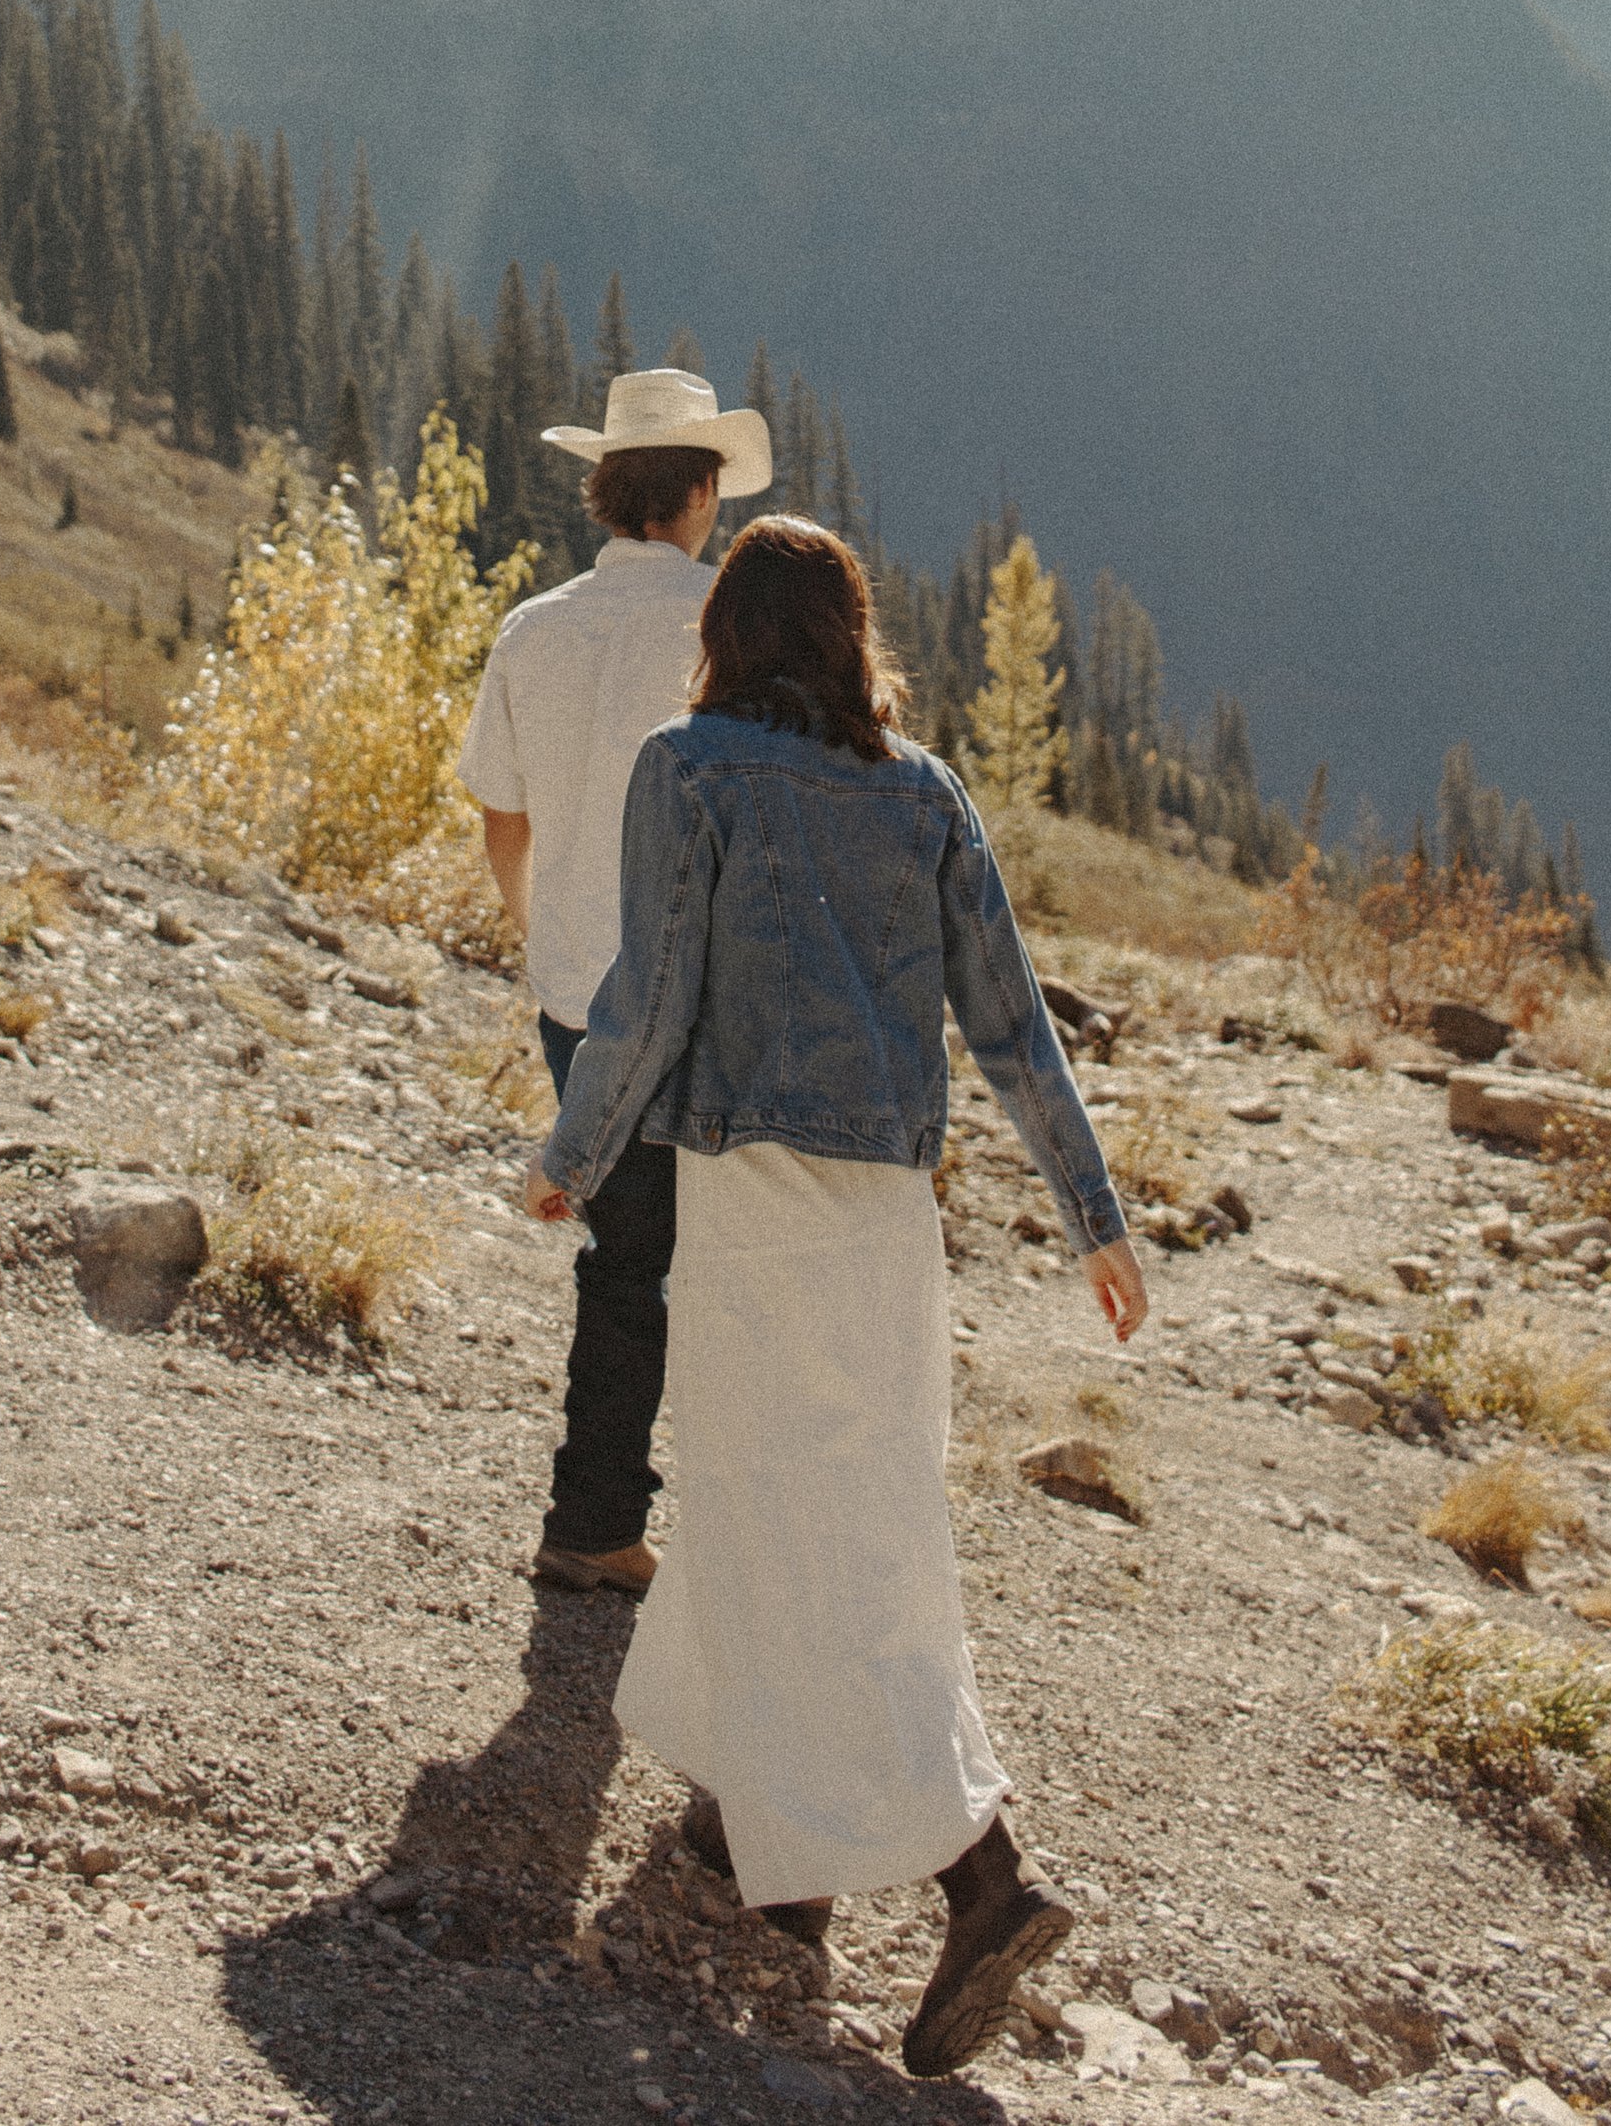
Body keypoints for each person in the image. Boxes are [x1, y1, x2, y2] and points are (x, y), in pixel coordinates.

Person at [521, 516, 1149, 2083]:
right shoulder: (924, 788)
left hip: (752, 1195)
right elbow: (1011, 1020)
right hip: (887, 1219)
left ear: (725, 635)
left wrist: (574, 1151)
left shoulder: (690, 765)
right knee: (850, 1512)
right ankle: (764, 1851)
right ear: (856, 639)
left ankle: (981, 1874)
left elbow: (648, 996)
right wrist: (1097, 1215)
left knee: (780, 1509)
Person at [457, 363, 774, 1595]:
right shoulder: (728, 628)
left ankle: (599, 1520)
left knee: (625, 1256)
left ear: (606, 488)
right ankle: (665, 1533)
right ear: (699, 493)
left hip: (577, 997)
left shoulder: (531, 629)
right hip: (706, 1000)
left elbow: (502, 814)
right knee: (724, 1265)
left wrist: (548, 939)